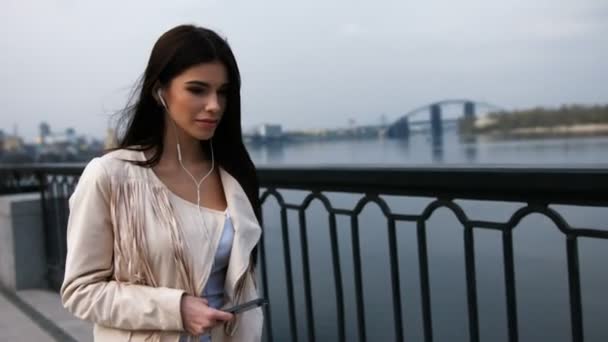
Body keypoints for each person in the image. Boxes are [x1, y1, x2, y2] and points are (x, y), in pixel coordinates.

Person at [60, 24, 264, 342]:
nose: (215, 105)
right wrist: (175, 309)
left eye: (223, 92)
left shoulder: (233, 174)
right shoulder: (111, 176)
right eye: (198, 90)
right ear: (160, 91)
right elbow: (81, 290)